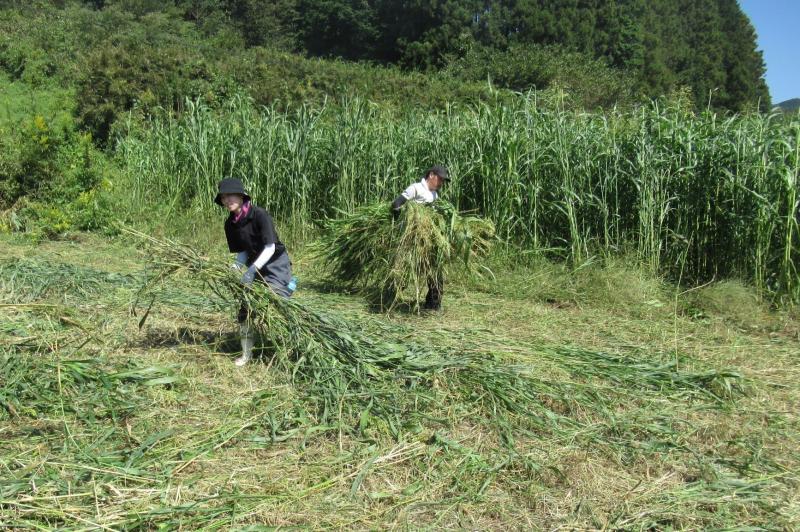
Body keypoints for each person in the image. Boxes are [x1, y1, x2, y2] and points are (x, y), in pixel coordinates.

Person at [215, 177, 293, 366]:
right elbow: (242, 250)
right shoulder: (230, 224)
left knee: (273, 305)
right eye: (224, 197)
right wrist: (236, 266)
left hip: (275, 264)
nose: (228, 200)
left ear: (241, 196)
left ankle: (288, 347)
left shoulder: (259, 215)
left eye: (231, 195)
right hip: (253, 265)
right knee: (246, 309)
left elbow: (270, 247)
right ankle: (246, 355)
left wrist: (251, 270)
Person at [390, 165, 450, 310]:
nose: (441, 183)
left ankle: (433, 304)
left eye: (443, 180)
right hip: (411, 239)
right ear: (431, 175)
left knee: (435, 270)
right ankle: (389, 299)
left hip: (428, 239)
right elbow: (396, 205)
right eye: (440, 179)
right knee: (402, 273)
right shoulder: (415, 188)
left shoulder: (435, 195)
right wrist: (409, 220)